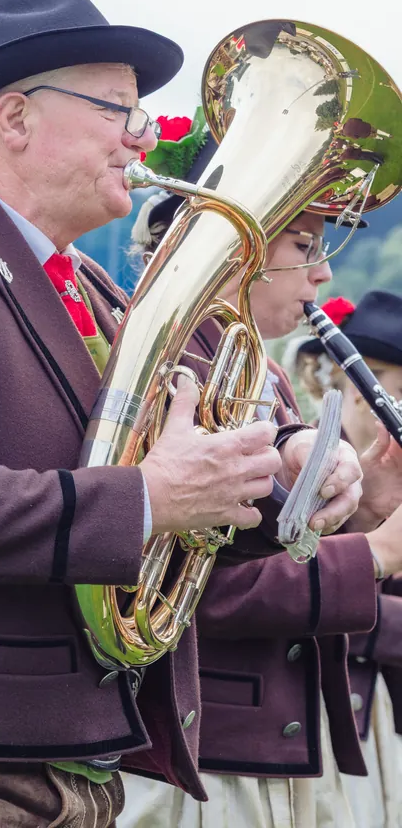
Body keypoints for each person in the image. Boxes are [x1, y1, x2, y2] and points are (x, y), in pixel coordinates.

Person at [0, 0, 360, 828]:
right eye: (117, 109)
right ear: (18, 119)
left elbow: (175, 479)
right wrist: (149, 499)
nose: (143, 135)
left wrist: (279, 473)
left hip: (76, 751)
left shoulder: (96, 286)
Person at [119, 144, 402, 828]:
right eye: (304, 243)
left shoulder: (257, 372)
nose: (325, 273)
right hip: (206, 759)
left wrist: (366, 506)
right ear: (228, 239)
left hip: (273, 743)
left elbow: (278, 546)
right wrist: (379, 553)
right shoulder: (170, 365)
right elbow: (199, 588)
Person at [290, 291, 402, 828]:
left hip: (381, 717)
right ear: (362, 389)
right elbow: (292, 590)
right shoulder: (305, 466)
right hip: (318, 714)